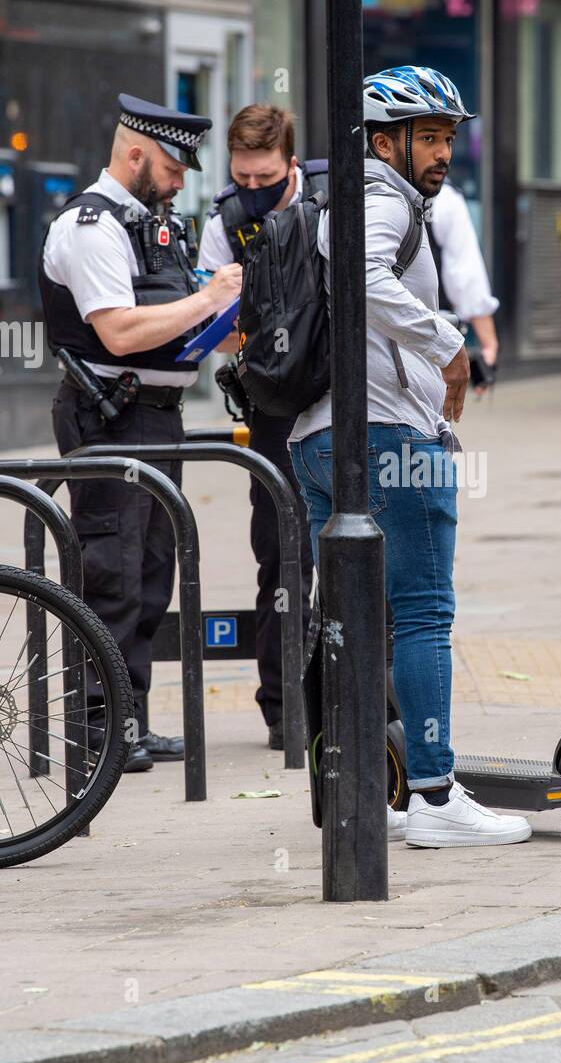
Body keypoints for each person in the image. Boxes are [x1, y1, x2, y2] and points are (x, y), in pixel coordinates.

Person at [289, 65, 531, 847]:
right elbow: (365, 283)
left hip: (317, 439)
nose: (442, 152)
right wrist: (448, 342)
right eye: (428, 136)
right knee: (424, 613)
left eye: (449, 137)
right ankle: (431, 794)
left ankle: (365, 786)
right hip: (389, 436)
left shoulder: (338, 199)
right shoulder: (381, 199)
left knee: (362, 621)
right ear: (383, 139)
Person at [40, 94, 242, 772]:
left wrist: (226, 313)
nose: (183, 179)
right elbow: (119, 330)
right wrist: (208, 298)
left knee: (152, 577)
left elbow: (178, 321)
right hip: (110, 416)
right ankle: (96, 731)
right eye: (174, 165)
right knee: (113, 574)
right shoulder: (92, 226)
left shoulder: (154, 225)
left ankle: (130, 723)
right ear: (136, 155)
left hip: (155, 418)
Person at [197, 104, 317, 751]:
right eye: (242, 178)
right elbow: (216, 334)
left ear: (290, 164)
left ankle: (360, 696)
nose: (252, 189)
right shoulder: (227, 219)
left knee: (362, 548)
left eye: (264, 177)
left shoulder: (330, 199)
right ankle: (283, 708)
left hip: (341, 401)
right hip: (272, 407)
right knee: (280, 554)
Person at [427, 180, 499, 379]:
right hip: (429, 331)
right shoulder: (444, 199)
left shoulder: (365, 186)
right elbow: (465, 274)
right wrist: (489, 345)